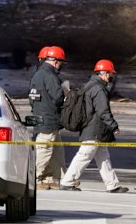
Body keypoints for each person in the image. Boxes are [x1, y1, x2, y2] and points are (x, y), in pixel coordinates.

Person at [60, 59, 129, 193]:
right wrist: (113, 126)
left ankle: (112, 185)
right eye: (110, 74)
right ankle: (67, 182)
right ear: (104, 73)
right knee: (84, 155)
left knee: (103, 157)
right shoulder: (98, 89)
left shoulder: (90, 85)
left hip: (92, 128)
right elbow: (102, 110)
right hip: (95, 129)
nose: (111, 77)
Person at [30, 46, 67, 190]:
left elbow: (32, 99)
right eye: (61, 62)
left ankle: (56, 178)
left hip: (41, 118)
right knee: (44, 151)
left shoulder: (37, 75)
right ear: (56, 61)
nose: (61, 65)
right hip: (49, 120)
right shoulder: (50, 77)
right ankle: (35, 178)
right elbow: (58, 98)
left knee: (57, 152)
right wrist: (66, 94)